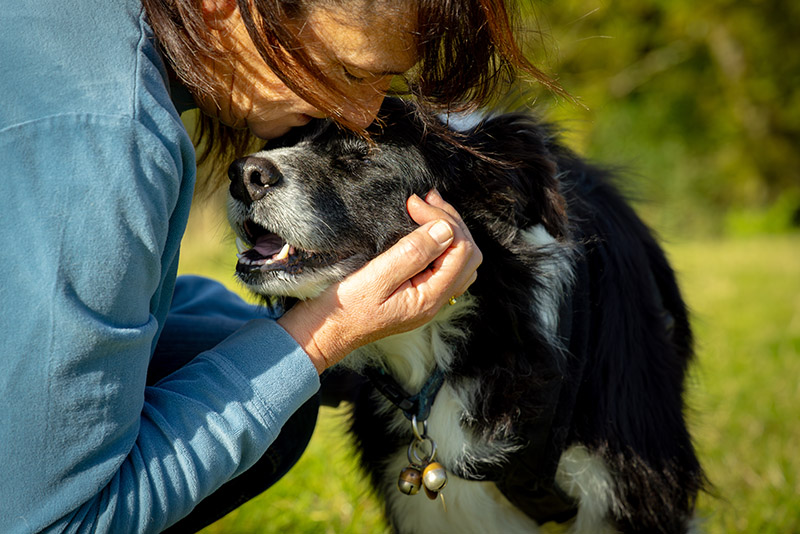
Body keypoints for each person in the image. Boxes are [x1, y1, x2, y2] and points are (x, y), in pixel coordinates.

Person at [0, 0, 556, 532]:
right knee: (279, 393)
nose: (360, 113)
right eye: (351, 71)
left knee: (248, 359)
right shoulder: (110, 136)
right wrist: (323, 337)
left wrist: (289, 339)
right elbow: (56, 522)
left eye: (384, 82)